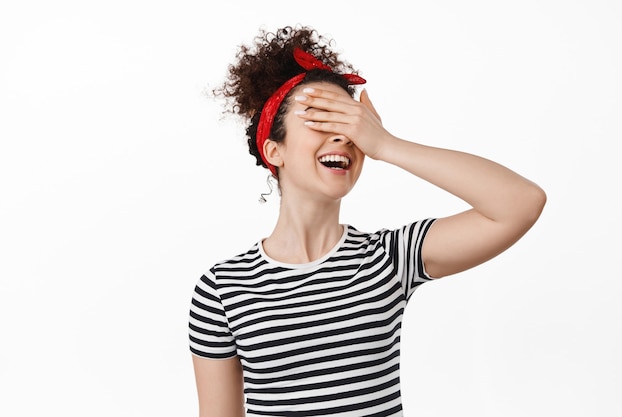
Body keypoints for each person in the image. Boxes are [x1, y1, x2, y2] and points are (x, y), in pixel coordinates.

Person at [188, 25, 546, 417]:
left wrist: (387, 144)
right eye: (321, 120)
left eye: (349, 124)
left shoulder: (389, 258)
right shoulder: (222, 289)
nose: (342, 137)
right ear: (274, 150)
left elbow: (520, 203)